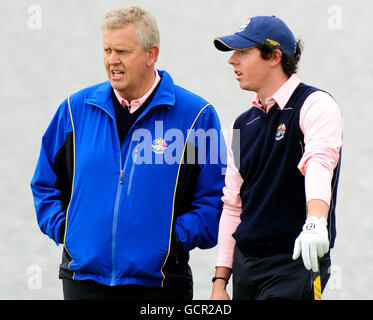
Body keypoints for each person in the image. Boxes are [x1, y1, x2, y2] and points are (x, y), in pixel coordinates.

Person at [30, 6, 226, 300]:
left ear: (151, 54)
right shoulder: (73, 110)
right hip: (82, 279)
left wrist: (169, 239)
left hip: (160, 284)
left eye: (122, 51)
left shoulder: (198, 116)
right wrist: (68, 231)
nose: (112, 61)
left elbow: (216, 201)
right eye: (107, 50)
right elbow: (44, 185)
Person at [210, 15, 343, 300]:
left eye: (243, 52)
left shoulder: (315, 104)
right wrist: (220, 281)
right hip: (246, 267)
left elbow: (319, 162)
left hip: (295, 261)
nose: (232, 61)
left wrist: (316, 222)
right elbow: (233, 206)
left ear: (274, 56)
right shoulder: (240, 125)